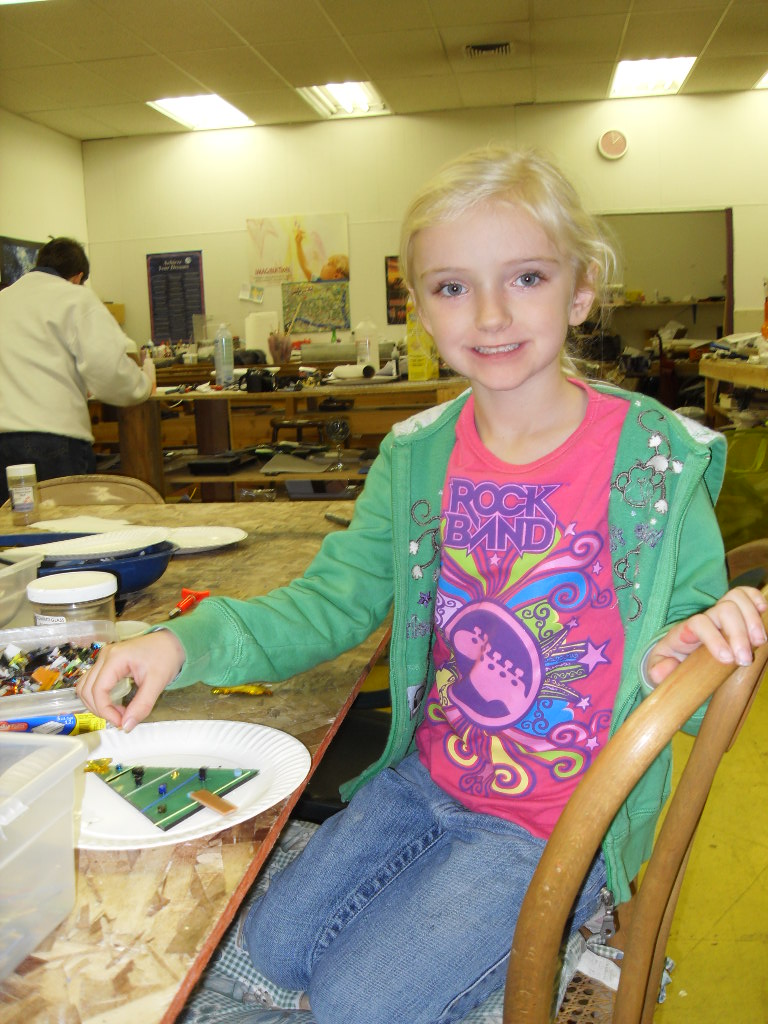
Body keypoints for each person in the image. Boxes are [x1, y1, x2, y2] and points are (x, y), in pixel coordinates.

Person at [77, 146, 767, 1024]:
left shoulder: (657, 459)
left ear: (582, 288)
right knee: (265, 951)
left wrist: (697, 646)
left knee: (361, 1004)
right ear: (419, 309)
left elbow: (694, 665)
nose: (488, 313)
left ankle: (572, 931)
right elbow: (332, 601)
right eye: (451, 287)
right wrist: (185, 639)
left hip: (553, 828)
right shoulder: (417, 458)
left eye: (524, 276)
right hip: (425, 780)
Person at [0, 236, 155, 501]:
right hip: (53, 440)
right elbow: (108, 370)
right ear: (78, 276)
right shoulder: (75, 299)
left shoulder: (4, 298)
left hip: (3, 441)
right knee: (68, 531)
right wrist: (142, 385)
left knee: (14, 534)